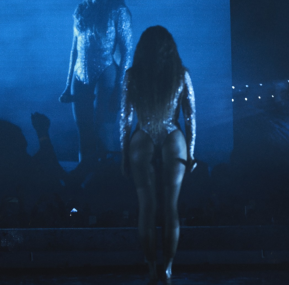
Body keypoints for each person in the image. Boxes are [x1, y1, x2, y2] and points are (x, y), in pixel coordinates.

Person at [120, 26, 196, 284]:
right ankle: (168, 268)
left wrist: (123, 155)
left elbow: (125, 119)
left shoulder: (133, 75)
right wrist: (192, 153)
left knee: (147, 208)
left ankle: (152, 267)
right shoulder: (180, 74)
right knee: (170, 208)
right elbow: (191, 116)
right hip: (173, 137)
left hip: (142, 138)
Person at [59, 0, 132, 171]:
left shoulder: (118, 10)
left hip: (106, 72)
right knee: (84, 133)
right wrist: (67, 84)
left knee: (103, 132)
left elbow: (126, 50)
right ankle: (85, 183)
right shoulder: (82, 9)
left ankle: (108, 181)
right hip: (80, 75)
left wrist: (120, 87)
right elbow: (75, 49)